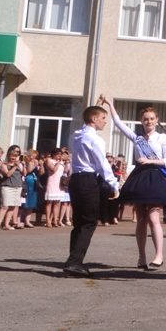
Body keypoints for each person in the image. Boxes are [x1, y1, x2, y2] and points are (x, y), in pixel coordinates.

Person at [102, 97, 166, 270]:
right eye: (145, 119)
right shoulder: (137, 137)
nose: (149, 121)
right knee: (141, 218)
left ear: (156, 120)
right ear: (141, 121)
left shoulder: (162, 138)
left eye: (152, 118)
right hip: (140, 176)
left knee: (154, 216)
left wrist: (150, 161)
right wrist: (111, 105)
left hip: (155, 176)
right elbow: (118, 123)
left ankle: (159, 255)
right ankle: (141, 257)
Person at [63, 106, 120, 277]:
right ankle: (74, 262)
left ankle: (73, 261)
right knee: (89, 222)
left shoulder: (76, 135)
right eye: (103, 118)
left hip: (76, 180)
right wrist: (114, 184)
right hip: (88, 180)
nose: (105, 121)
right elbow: (102, 164)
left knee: (79, 223)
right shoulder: (96, 140)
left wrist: (94, 107)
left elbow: (84, 124)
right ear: (94, 119)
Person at [0, 145, 25, 229]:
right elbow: (8, 174)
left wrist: (23, 165)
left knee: (13, 206)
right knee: (5, 206)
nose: (13, 157)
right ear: (9, 155)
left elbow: (24, 173)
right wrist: (15, 166)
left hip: (17, 187)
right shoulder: (4, 164)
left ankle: (6, 224)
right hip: (7, 187)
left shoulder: (19, 164)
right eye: (12, 156)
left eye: (15, 156)